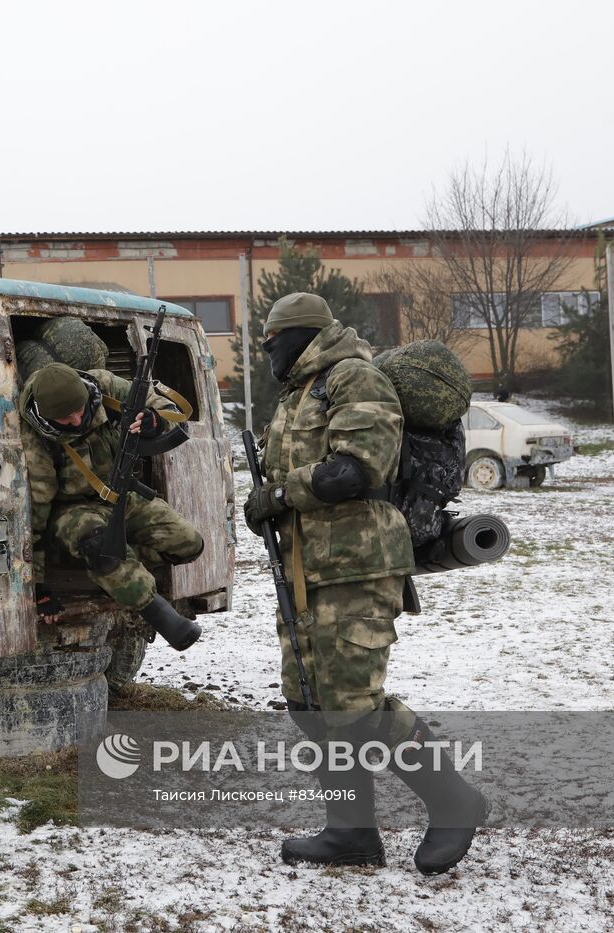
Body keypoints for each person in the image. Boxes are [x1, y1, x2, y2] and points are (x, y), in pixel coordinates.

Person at [242, 292, 488, 875]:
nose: (267, 351)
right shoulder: (299, 392)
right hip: (307, 570)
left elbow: (355, 471)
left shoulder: (353, 378)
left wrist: (276, 495)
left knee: (355, 705)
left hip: (358, 565)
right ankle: (350, 832)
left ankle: (455, 802)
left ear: (296, 334)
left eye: (270, 340)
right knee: (310, 702)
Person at [20, 361, 203, 650]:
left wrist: (154, 421)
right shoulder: (36, 441)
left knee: (189, 543)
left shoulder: (103, 386)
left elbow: (165, 407)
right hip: (74, 511)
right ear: (48, 416)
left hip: (123, 494)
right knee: (100, 547)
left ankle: (112, 566)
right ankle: (150, 605)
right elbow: (36, 513)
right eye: (66, 419)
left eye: (81, 409)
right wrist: (38, 586)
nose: (78, 420)